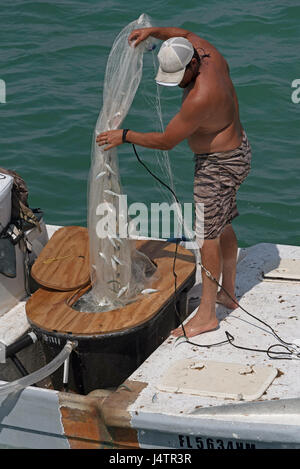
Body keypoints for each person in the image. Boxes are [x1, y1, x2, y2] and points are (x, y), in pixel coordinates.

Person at [96, 27, 252, 338]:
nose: (178, 82)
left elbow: (167, 140)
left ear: (193, 65)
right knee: (221, 224)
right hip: (237, 152)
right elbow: (184, 32)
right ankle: (229, 292)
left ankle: (207, 315)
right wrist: (153, 32)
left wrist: (124, 136)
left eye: (180, 76)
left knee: (206, 235)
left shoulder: (200, 97)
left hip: (218, 167)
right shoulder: (205, 50)